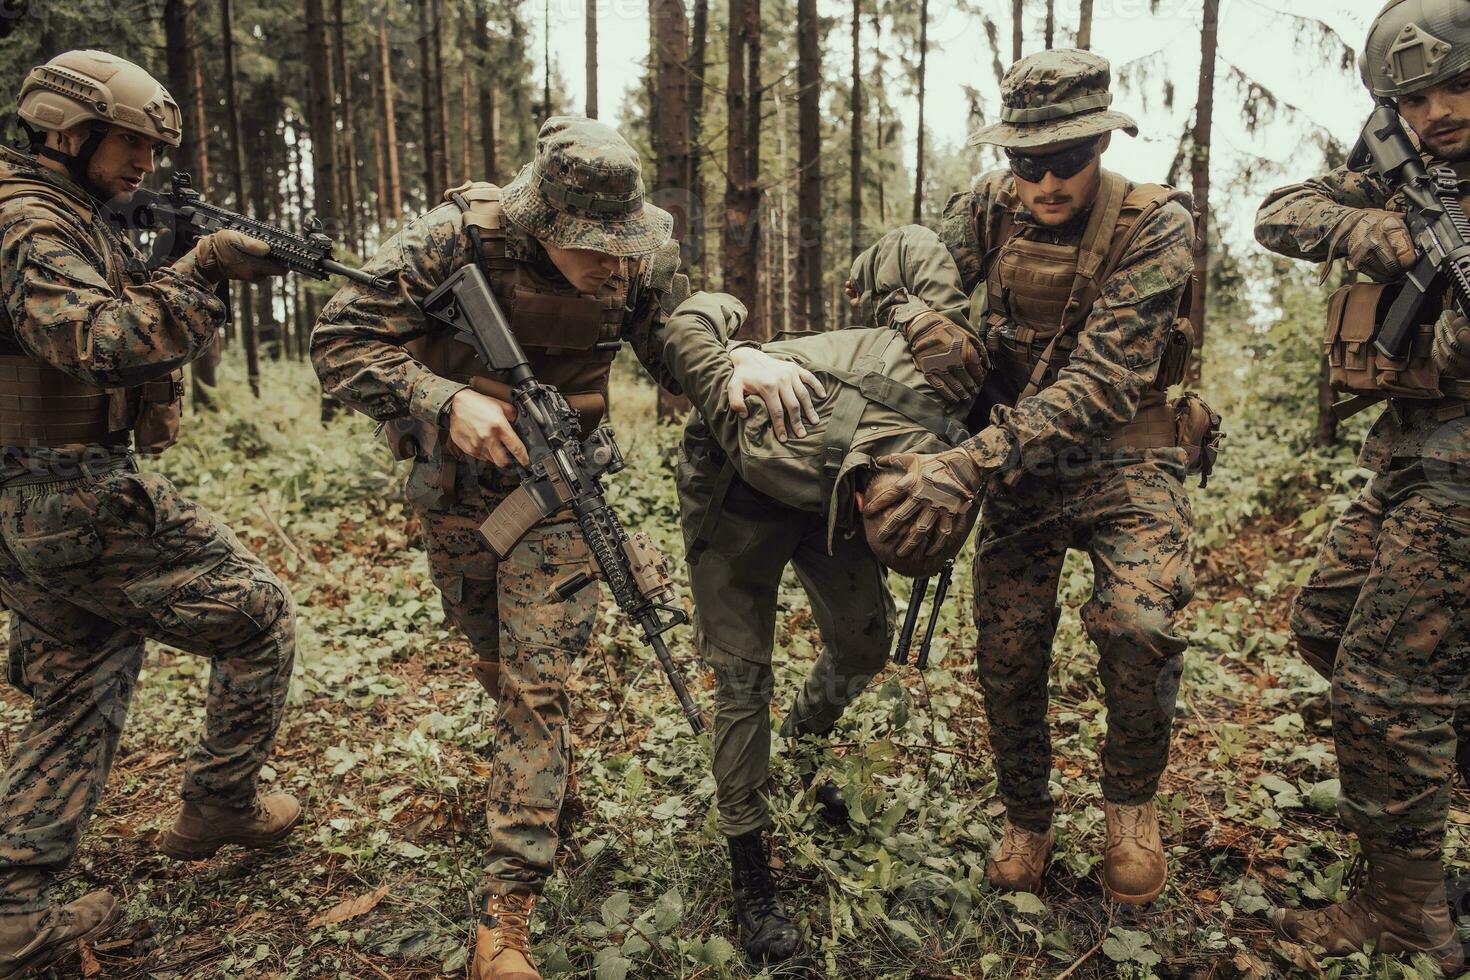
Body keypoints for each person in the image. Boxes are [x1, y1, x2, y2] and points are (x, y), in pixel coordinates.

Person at [311, 115, 813, 980]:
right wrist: (441, 399)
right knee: (496, 665)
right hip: (453, 491)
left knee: (537, 685)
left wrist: (735, 364)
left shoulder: (639, 262)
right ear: (541, 223)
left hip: (561, 490)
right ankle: (542, 790)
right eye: (592, 247)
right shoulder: (452, 239)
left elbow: (670, 345)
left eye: (623, 248)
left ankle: (504, 914)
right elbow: (337, 340)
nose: (612, 267)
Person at [864, 48, 1203, 906]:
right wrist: (922, 319)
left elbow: (1102, 384)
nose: (1047, 182)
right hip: (1021, 463)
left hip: (1129, 452)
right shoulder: (987, 205)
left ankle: (1130, 809)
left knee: (1139, 622)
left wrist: (968, 463)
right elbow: (889, 277)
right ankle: (1027, 815)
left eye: (1067, 160)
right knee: (1008, 648)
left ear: (1101, 142)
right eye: (1027, 162)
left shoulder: (1154, 223)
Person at [0, 49, 299, 978]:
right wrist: (205, 267)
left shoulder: (67, 215)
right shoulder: (25, 223)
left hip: (33, 496)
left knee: (82, 674)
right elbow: (99, 339)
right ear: (66, 128)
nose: (143, 164)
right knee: (257, 613)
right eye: (130, 142)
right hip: (67, 490)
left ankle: (11, 909)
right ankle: (221, 804)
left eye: (152, 148)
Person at [662, 224, 985, 965]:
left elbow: (913, 244)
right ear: (867, 503)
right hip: (738, 483)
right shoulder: (763, 428)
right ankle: (750, 863)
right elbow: (686, 326)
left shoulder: (952, 377)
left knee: (864, 642)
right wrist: (735, 342)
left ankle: (801, 757)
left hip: (832, 493)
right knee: (745, 678)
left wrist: (882, 288)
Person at [1252, 0, 1470, 968]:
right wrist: (1367, 230)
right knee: (1325, 624)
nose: (1440, 112)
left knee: (1387, 691)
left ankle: (1407, 918)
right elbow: (1275, 213)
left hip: (1462, 483)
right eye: (1415, 97)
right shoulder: (1404, 167)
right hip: (1409, 455)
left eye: (1458, 86)